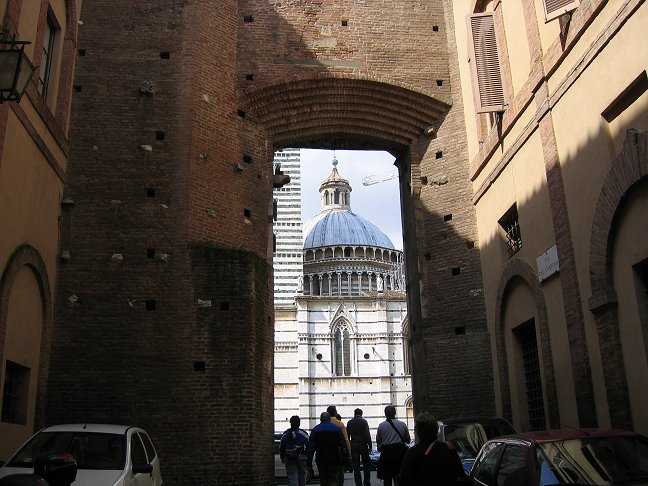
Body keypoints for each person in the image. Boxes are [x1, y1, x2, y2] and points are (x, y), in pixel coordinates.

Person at [399, 412, 467, 486]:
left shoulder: (413, 452)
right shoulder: (448, 448)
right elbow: (460, 475)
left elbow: (404, 479)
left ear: (418, 432)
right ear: (435, 430)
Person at [308, 411, 349, 486]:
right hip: (334, 458)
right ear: (329, 419)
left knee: (323, 478)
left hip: (321, 458)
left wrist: (309, 462)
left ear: (321, 419)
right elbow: (343, 444)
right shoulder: (336, 428)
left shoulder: (315, 430)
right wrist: (345, 458)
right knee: (333, 478)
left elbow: (311, 448)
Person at [376, 405, 411, 486]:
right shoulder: (402, 424)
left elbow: (379, 440)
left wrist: (379, 447)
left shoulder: (381, 425)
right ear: (395, 413)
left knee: (387, 477)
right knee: (398, 476)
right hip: (400, 453)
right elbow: (408, 440)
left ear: (385, 414)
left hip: (386, 453)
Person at [280, 415, 310, 486]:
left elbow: (281, 447)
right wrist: (306, 455)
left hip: (289, 457)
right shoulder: (303, 434)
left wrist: (282, 457)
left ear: (290, 423)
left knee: (291, 477)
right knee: (302, 476)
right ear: (299, 423)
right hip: (301, 457)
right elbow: (309, 446)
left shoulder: (285, 434)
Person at [346, 408, 373, 486]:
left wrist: (348, 447)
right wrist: (370, 445)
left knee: (356, 466)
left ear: (354, 413)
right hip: (363, 445)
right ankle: (366, 482)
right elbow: (367, 434)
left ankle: (358, 483)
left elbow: (347, 436)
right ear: (361, 413)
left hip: (354, 445)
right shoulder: (364, 422)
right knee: (366, 465)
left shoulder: (350, 422)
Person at [327, 405, 352, 484]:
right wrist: (349, 454)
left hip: (325, 454)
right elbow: (346, 440)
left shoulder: (322, 425)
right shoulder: (340, 424)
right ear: (335, 413)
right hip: (338, 454)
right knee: (339, 475)